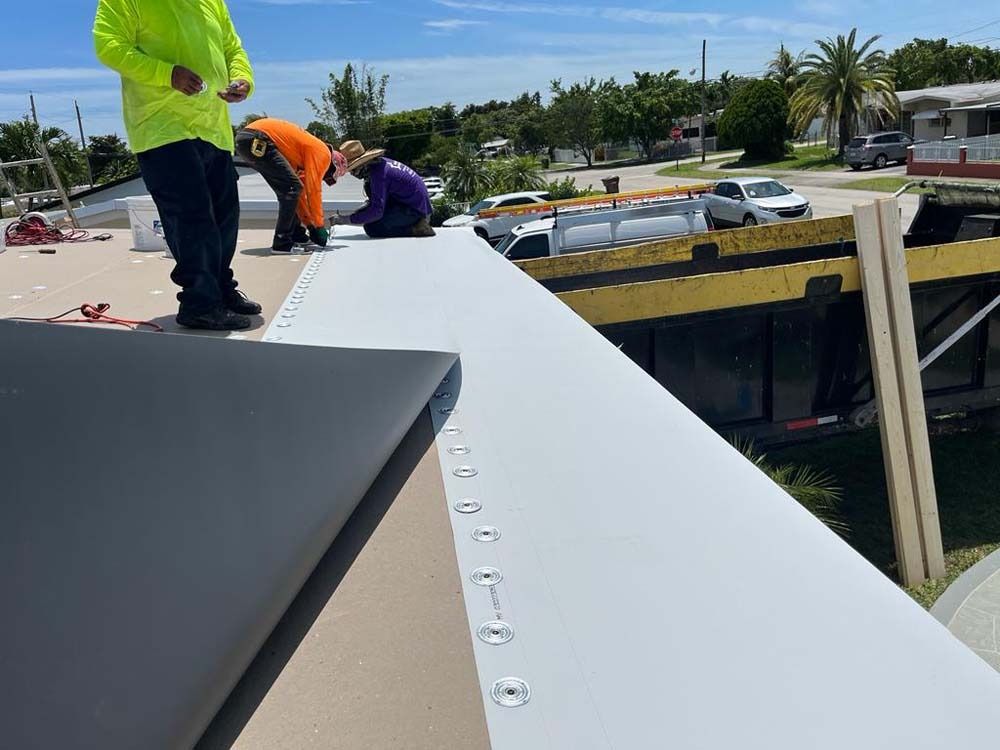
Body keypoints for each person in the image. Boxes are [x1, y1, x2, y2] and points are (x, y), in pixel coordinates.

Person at [94, 0, 260, 331]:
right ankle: (200, 303)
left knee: (224, 218)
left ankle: (220, 289)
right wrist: (167, 73)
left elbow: (232, 47)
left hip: (213, 129)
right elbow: (108, 45)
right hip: (161, 129)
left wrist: (243, 78)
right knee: (192, 218)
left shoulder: (212, 3)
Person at [235, 118, 347, 254]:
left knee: (292, 189)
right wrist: (319, 226)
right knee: (291, 188)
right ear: (332, 167)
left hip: (249, 139)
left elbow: (299, 196)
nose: (324, 177)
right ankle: (281, 243)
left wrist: (310, 226)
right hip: (259, 139)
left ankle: (296, 234)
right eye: (328, 176)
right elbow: (314, 191)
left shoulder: (300, 156)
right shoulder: (322, 154)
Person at [330, 141, 435, 238]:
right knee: (365, 214)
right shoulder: (380, 166)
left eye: (353, 170)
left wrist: (345, 220)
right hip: (410, 204)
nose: (353, 174)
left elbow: (377, 211)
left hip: (415, 210)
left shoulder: (379, 175)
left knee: (372, 228)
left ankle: (417, 228)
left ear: (362, 165)